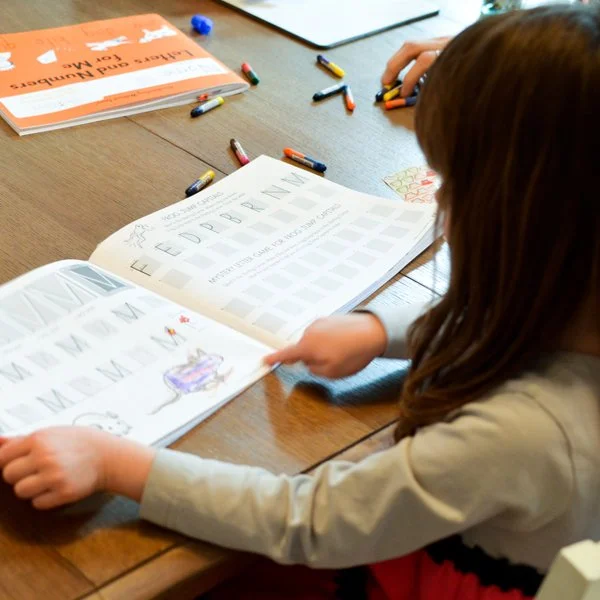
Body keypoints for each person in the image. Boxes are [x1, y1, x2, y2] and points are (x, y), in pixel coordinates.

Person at [1, 5, 600, 599]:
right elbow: (499, 309)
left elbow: (310, 520)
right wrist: (376, 329)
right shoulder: (577, 301)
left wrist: (120, 466)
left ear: (522, 227)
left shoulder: (519, 435)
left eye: (450, 185)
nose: (440, 203)